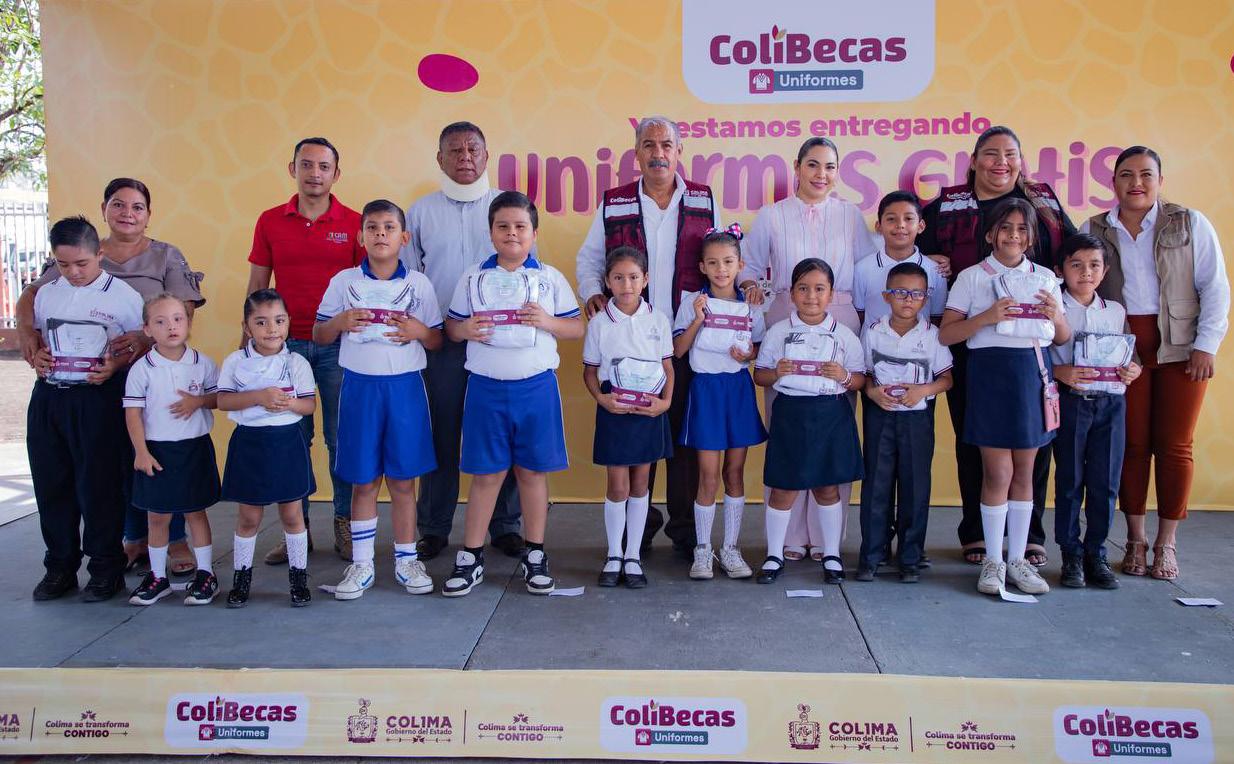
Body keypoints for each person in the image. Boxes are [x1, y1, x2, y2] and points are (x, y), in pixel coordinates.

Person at [17, 178, 208, 576]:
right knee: (112, 466)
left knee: (159, 454)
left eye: (137, 207)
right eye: (118, 205)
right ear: (104, 208)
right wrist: (28, 338)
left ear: (149, 214)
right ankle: (132, 539)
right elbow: (32, 296)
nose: (127, 213)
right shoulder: (76, 252)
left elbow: (182, 310)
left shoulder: (165, 256)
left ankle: (173, 539)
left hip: (151, 373)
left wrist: (142, 340)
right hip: (88, 384)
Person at [919, 125, 1076, 567]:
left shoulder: (1043, 202)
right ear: (973, 161)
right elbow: (910, 245)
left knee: (1033, 447)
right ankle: (977, 533)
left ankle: (1029, 538)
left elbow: (1074, 253)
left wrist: (1060, 306)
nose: (1000, 162)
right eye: (990, 153)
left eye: (1010, 153)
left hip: (1032, 350)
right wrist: (928, 260)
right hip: (974, 346)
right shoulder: (947, 205)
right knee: (975, 441)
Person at [1081, 146, 1230, 580]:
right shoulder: (1095, 228)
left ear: (1160, 181)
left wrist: (1207, 345)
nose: (1136, 183)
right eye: (1126, 175)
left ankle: (1166, 543)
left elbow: (1215, 287)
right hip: (1122, 350)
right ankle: (1136, 539)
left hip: (1183, 347)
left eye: (1146, 174)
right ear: (1113, 182)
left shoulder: (1189, 222)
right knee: (1131, 445)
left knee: (1175, 446)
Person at [576, 116, 720, 558]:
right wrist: (593, 292)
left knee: (681, 439)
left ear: (679, 151)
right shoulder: (615, 201)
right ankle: (634, 534)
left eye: (667, 145)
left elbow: (720, 257)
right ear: (636, 152)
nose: (659, 153)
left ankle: (683, 530)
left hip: (683, 338)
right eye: (649, 145)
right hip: (629, 344)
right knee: (636, 438)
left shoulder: (703, 198)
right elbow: (589, 259)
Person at [741, 137, 876, 562]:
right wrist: (751, 288)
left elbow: (869, 269)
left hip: (840, 321)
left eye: (830, 166)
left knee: (833, 430)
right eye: (813, 164)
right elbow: (748, 266)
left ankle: (826, 540)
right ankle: (788, 539)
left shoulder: (850, 215)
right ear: (796, 166)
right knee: (788, 429)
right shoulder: (772, 214)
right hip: (786, 318)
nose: (821, 174)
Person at [443, 192, 583, 597]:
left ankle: (535, 553)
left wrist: (548, 321)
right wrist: (464, 329)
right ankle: (471, 557)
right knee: (486, 475)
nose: (511, 233)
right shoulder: (472, 278)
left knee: (532, 473)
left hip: (536, 388)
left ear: (534, 233)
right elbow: (451, 327)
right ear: (491, 233)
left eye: (520, 226)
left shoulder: (550, 278)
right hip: (486, 388)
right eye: (502, 226)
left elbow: (576, 328)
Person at [401, 122, 525, 562]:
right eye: (454, 150)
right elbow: (409, 278)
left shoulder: (508, 207)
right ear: (440, 159)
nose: (465, 157)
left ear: (487, 156)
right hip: (443, 341)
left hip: (500, 342)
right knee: (442, 432)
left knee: (501, 434)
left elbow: (527, 271)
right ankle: (434, 528)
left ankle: (506, 525)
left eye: (473, 149)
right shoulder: (420, 213)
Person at [938, 199, 1070, 596]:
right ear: (990, 234)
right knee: (997, 473)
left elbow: (1062, 337)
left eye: (1022, 229)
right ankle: (993, 560)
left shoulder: (1045, 278)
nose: (1014, 235)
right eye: (1006, 227)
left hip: (1032, 376)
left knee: (1025, 474)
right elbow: (947, 334)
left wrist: (1055, 314)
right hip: (990, 378)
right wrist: (987, 318)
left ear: (1031, 237)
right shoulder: (972, 277)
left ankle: (1018, 560)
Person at [315, 200, 442, 600]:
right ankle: (362, 563)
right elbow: (319, 334)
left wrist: (420, 331)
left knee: (403, 481)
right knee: (364, 479)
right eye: (372, 227)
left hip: (405, 389)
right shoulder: (344, 282)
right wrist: (340, 322)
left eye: (389, 227)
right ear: (360, 237)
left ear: (404, 238)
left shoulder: (419, 284)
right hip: (360, 389)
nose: (381, 234)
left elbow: (436, 339)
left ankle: (406, 560)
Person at [246, 137, 364, 565]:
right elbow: (258, 285)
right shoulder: (270, 221)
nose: (315, 173)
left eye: (324, 166)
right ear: (292, 168)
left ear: (337, 173)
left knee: (339, 438)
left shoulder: (355, 222)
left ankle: (345, 524)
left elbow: (365, 284)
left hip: (337, 347)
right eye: (307, 164)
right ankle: (298, 531)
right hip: (283, 348)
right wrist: (249, 340)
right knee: (292, 439)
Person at [27, 216, 144, 602]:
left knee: (99, 485)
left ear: (100, 254)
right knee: (51, 484)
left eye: (81, 263)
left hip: (98, 398)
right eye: (63, 264)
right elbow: (38, 337)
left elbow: (139, 347)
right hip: (49, 398)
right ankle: (59, 567)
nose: (73, 272)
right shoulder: (46, 294)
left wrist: (116, 365)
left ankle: (106, 569)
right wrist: (38, 356)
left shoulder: (124, 296)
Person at [754, 258, 865, 585]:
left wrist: (844, 376)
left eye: (819, 289)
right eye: (803, 288)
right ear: (792, 293)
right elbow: (760, 376)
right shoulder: (778, 332)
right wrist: (776, 372)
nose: (811, 296)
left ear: (831, 293)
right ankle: (774, 554)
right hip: (790, 415)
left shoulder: (844, 335)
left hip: (830, 415)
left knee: (827, 488)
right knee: (783, 487)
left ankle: (831, 553)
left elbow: (860, 379)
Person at [672, 226, 765, 580]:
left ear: (740, 264)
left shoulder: (751, 305)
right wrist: (698, 319)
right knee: (708, 476)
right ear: (702, 266)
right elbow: (678, 350)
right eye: (713, 263)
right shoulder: (693, 302)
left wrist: (749, 354)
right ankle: (702, 550)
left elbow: (758, 349)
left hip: (737, 390)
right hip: (706, 391)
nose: (721, 269)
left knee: (734, 473)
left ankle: (730, 548)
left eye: (728, 261)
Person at [1049, 234, 1140, 589]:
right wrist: (1060, 371)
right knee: (1070, 480)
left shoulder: (1115, 311)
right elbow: (1037, 354)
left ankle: (1096, 552)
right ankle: (1070, 553)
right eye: (1076, 265)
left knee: (1105, 482)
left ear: (1104, 271)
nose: (1085, 272)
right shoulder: (1054, 306)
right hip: (1071, 402)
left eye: (1094, 265)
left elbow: (1129, 357)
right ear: (1060, 270)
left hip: (1111, 405)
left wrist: (1133, 370)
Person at [217, 290, 318, 608]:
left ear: (288, 323)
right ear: (246, 327)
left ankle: (299, 579)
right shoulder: (235, 361)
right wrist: (259, 397)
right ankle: (241, 578)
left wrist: (289, 403)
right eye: (261, 322)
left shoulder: (296, 362)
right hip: (250, 443)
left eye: (278, 320)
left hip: (287, 442)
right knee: (248, 517)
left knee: (292, 514)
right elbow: (223, 401)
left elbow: (309, 406)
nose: (271, 329)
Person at [582, 246, 674, 589]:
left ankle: (633, 556)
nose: (627, 284)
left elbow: (668, 367)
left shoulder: (658, 319)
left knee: (640, 484)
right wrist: (602, 400)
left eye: (634, 277)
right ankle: (614, 555)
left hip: (648, 408)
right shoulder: (599, 323)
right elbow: (589, 371)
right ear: (607, 281)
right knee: (617, 485)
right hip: (616, 408)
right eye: (618, 278)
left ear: (645, 279)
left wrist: (665, 403)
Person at [857, 263, 953, 583]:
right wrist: (872, 392)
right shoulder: (873, 332)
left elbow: (947, 380)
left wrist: (923, 391)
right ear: (887, 296)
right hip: (880, 416)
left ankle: (910, 557)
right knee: (876, 485)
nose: (908, 299)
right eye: (900, 293)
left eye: (916, 294)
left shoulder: (933, 335)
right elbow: (865, 374)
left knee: (915, 486)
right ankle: (872, 555)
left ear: (926, 298)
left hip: (917, 419)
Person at [123, 294, 221, 606]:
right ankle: (157, 577)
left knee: (196, 512)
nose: (171, 327)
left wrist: (198, 401)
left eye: (178, 319)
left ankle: (205, 574)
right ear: (147, 329)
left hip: (194, 449)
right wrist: (141, 452)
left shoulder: (203, 363)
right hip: (156, 452)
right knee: (157, 516)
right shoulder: (142, 369)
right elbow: (133, 413)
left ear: (189, 323)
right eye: (161, 321)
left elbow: (218, 399)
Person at [854, 191, 947, 325]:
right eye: (891, 219)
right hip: (874, 339)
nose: (900, 225)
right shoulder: (862, 269)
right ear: (878, 226)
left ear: (921, 226)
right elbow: (859, 316)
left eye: (908, 218)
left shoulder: (936, 271)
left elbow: (937, 318)